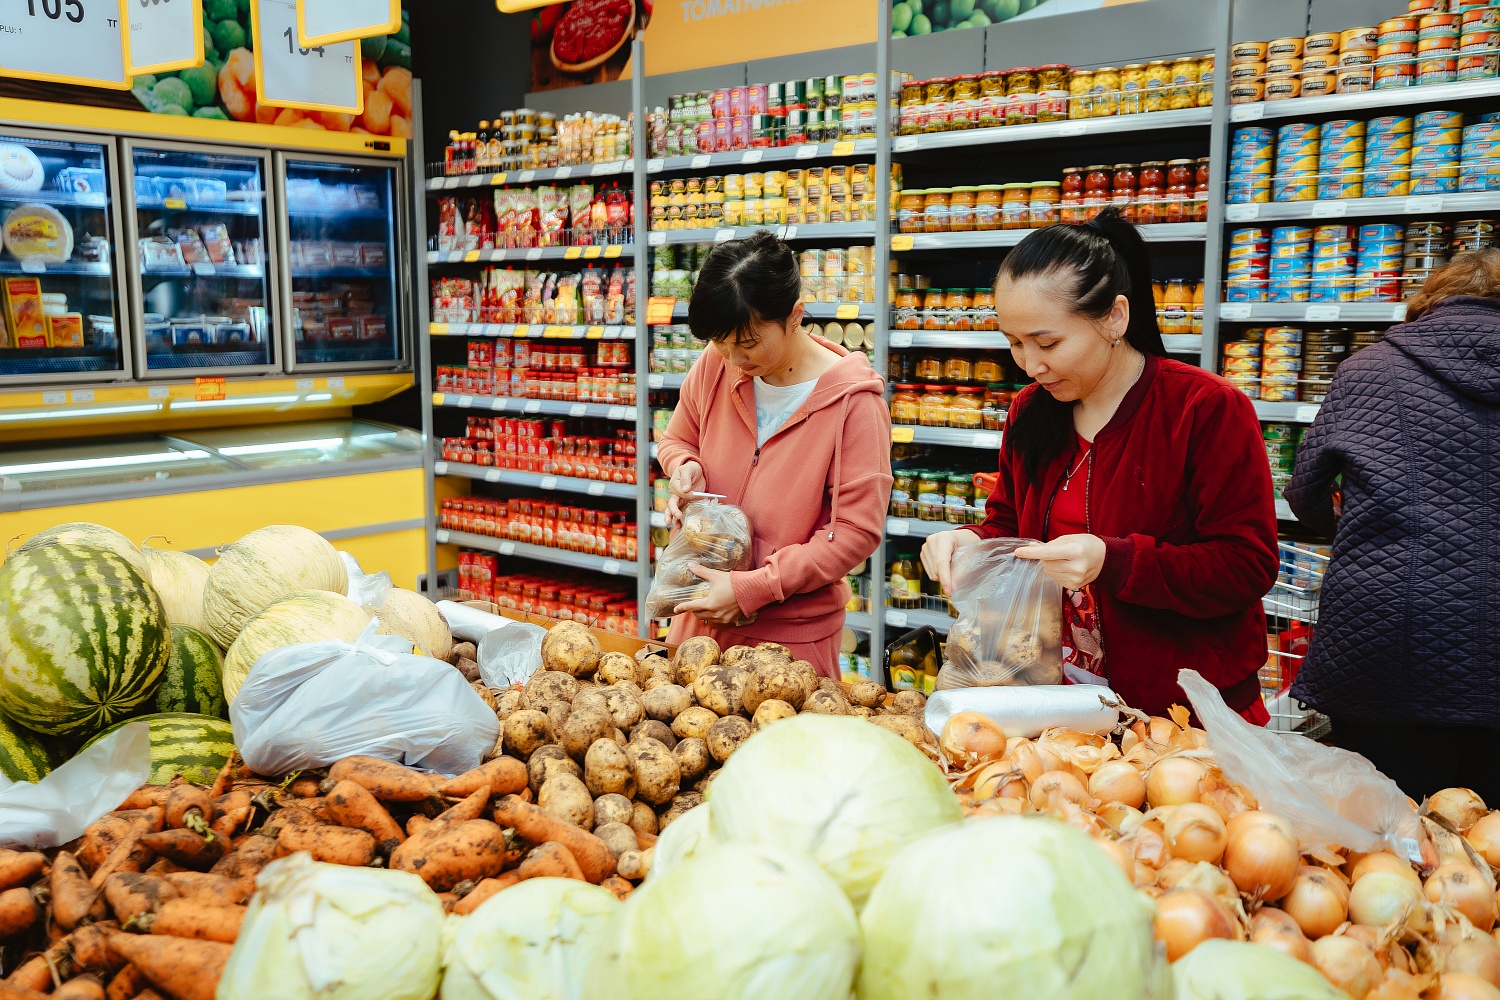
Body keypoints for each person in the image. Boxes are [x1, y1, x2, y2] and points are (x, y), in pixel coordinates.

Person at [920, 210, 1280, 718]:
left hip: (1183, 713)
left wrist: (1115, 560)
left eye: (1047, 343)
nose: (1030, 364)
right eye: (1014, 343)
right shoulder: (1030, 409)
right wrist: (970, 541)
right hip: (1055, 700)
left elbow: (1246, 564)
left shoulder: (1203, 408)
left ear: (1115, 317)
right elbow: (1011, 525)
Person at [1286, 249, 1500, 802]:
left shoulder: (1370, 368)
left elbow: (1304, 492)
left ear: (1429, 301)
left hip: (1383, 641)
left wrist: (1364, 527)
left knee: (1384, 834)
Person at [655, 231, 893, 678]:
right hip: (698, 614)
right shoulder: (715, 363)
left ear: (794, 316)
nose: (733, 358)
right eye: (721, 343)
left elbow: (853, 534)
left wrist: (754, 587)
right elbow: (676, 440)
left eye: (747, 344)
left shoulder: (855, 405)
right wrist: (684, 468)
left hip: (789, 642)